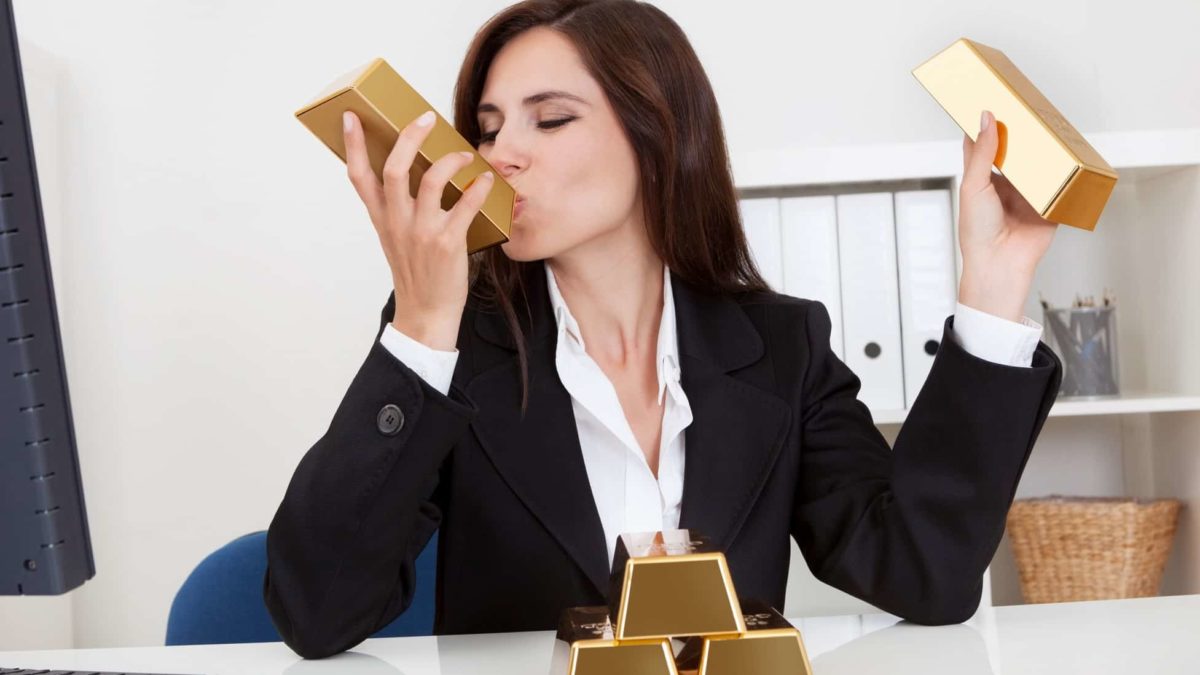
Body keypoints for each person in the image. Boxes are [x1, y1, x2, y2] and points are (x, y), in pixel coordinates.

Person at [264, 0, 1063, 660]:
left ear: (658, 136)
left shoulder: (782, 348)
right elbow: (316, 611)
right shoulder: (454, 348)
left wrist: (992, 289)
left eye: (550, 119)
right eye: (489, 126)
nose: (500, 155)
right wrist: (420, 326)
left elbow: (925, 573)